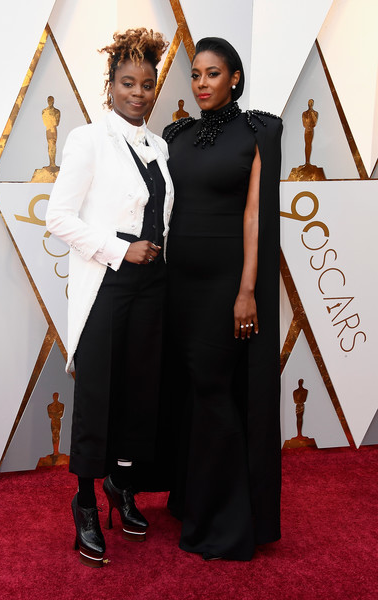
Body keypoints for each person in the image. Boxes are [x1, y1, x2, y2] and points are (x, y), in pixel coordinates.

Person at [46, 28, 172, 568]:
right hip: (107, 287)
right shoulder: (88, 139)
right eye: (127, 83)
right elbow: (58, 218)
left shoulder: (159, 146)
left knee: (139, 395)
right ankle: (84, 504)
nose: (138, 93)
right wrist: (120, 249)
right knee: (98, 397)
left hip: (153, 288)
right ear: (110, 85)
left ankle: (121, 487)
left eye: (147, 84)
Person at [163, 37, 282, 561]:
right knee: (192, 391)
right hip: (178, 284)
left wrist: (247, 290)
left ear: (234, 78)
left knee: (215, 390)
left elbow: (256, 216)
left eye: (212, 73)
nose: (201, 83)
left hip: (226, 285)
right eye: (195, 74)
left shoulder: (258, 131)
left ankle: (227, 526)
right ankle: (194, 499)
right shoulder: (177, 135)